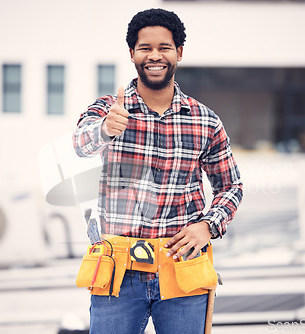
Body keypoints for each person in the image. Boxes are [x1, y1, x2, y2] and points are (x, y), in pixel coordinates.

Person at [73, 8, 243, 334]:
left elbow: (231, 186)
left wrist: (208, 225)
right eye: (145, 48)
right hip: (117, 272)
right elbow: (81, 144)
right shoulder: (109, 109)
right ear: (132, 54)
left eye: (164, 47)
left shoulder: (204, 121)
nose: (155, 56)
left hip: (182, 269)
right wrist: (106, 130)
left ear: (179, 52)